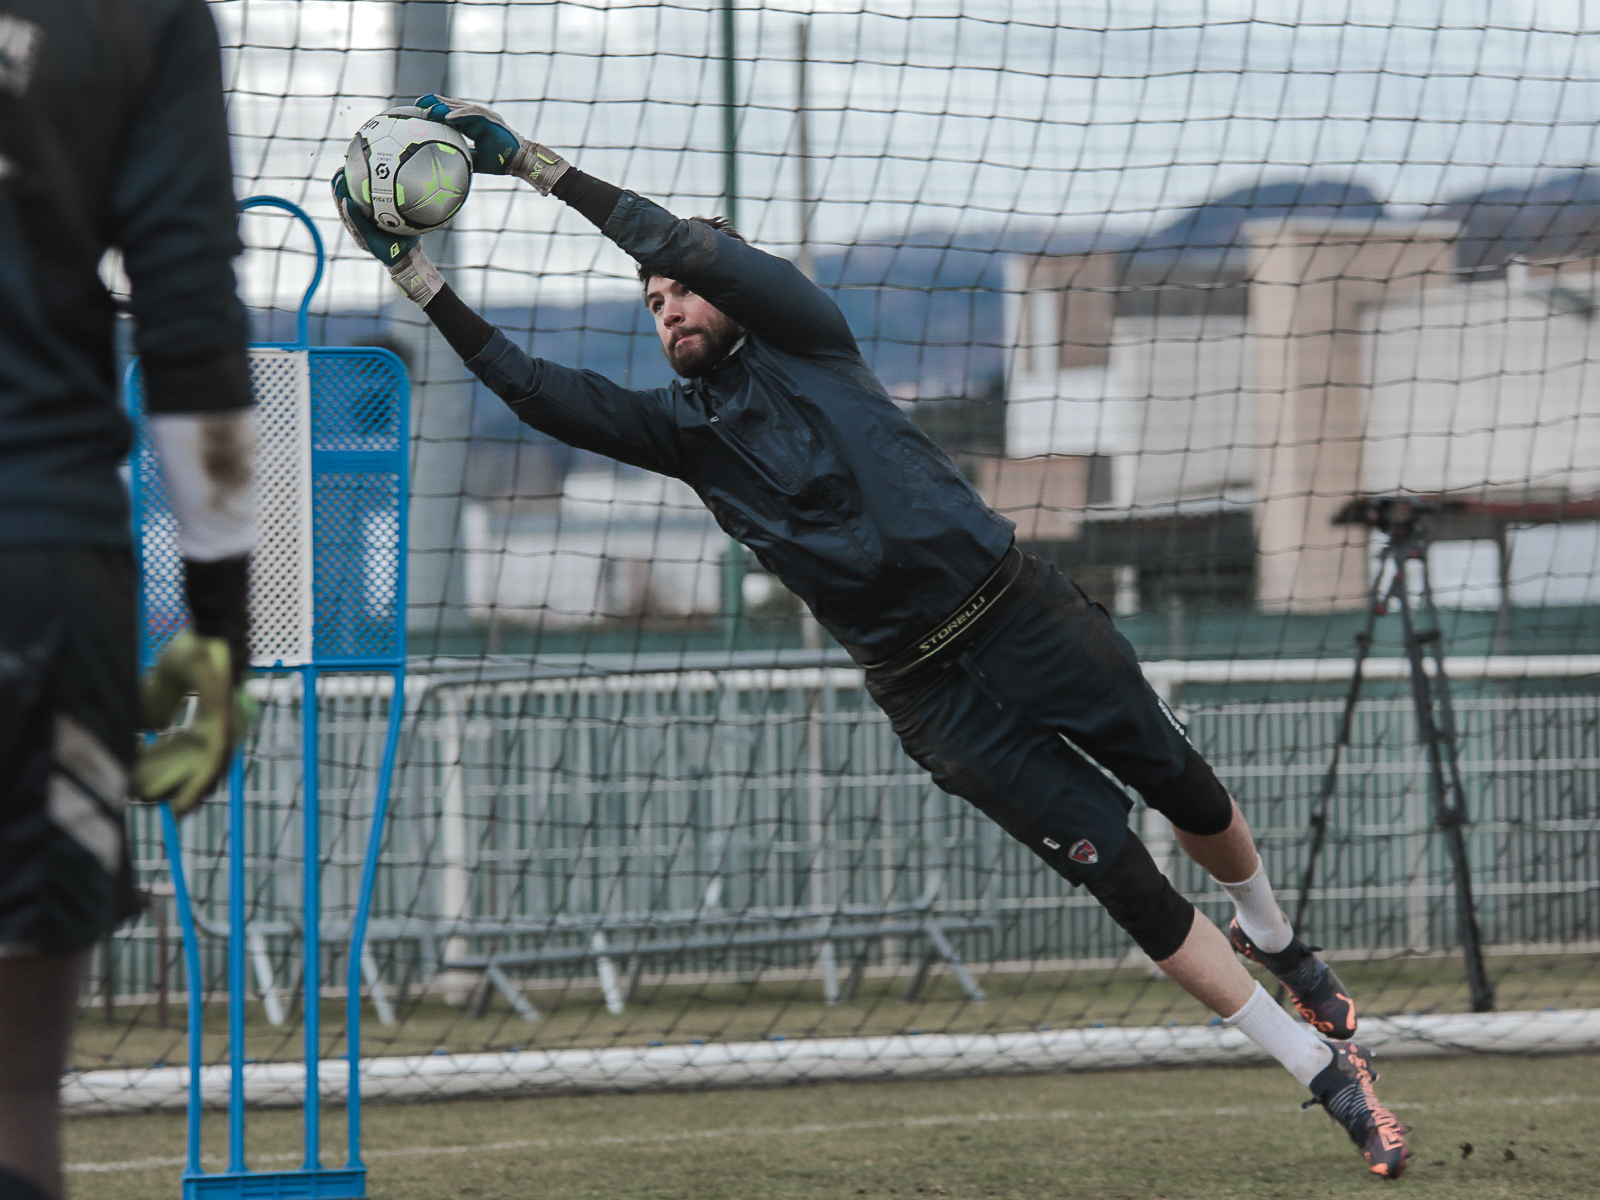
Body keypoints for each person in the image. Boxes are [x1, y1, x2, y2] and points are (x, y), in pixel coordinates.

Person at [333, 95, 1408, 1180]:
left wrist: (524, 164)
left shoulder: (806, 332)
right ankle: (1324, 1078)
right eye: (651, 302)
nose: (666, 304)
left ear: (736, 283)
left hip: (1015, 607)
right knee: (1121, 876)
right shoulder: (683, 435)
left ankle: (1276, 939)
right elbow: (532, 390)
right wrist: (414, 276)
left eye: (681, 289)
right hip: (927, 695)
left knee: (1180, 783)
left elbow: (672, 237)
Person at [0, 3, 256, 1199]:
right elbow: (192, 330)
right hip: (36, 570)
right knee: (13, 1099)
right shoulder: (139, 16)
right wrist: (221, 634)